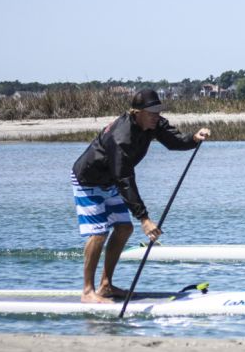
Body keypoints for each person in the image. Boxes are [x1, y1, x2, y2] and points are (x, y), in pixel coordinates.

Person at [71, 89, 210, 303]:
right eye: (152, 112)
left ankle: (106, 285)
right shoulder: (121, 138)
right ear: (137, 112)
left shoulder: (152, 124)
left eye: (158, 111)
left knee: (124, 228)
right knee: (99, 233)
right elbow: (125, 179)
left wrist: (193, 138)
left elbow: (174, 142)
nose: (157, 116)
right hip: (89, 179)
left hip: (112, 180)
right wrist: (144, 219)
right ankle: (87, 291)